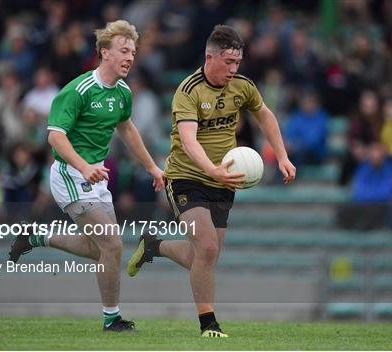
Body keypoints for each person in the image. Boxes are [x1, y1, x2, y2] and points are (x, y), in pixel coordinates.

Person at [126, 25, 296, 337]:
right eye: (229, 62)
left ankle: (154, 246)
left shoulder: (242, 86)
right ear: (210, 57)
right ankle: (209, 325)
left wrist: (282, 156)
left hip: (223, 179)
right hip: (186, 177)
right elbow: (190, 142)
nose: (234, 69)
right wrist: (211, 169)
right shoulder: (189, 91)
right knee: (206, 248)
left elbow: (266, 116)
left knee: (204, 255)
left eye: (238, 63)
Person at [7, 20, 165, 333]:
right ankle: (112, 319)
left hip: (96, 177)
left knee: (99, 249)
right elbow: (55, 137)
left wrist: (152, 167)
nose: (130, 57)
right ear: (104, 53)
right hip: (69, 174)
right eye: (123, 50)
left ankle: (37, 236)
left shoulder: (122, 92)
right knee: (113, 243)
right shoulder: (77, 90)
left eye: (132, 51)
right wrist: (83, 166)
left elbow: (127, 128)